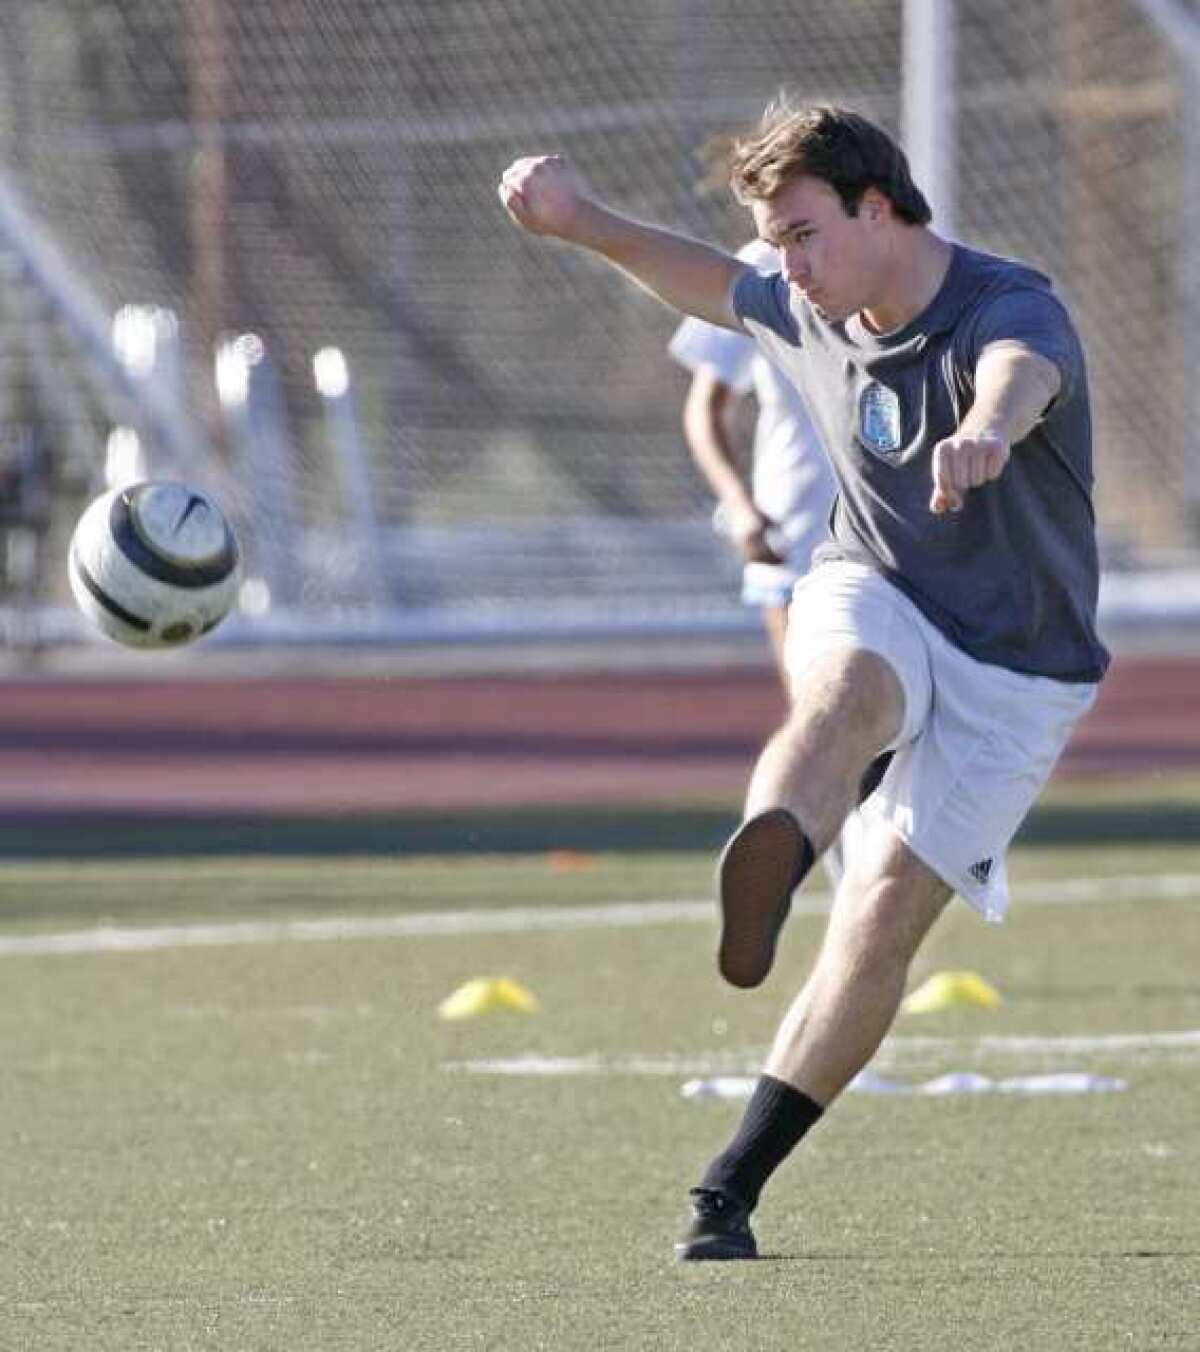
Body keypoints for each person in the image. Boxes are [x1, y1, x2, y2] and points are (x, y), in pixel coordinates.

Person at [499, 101, 1109, 1262]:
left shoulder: (1005, 302)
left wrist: (984, 429)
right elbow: (686, 272)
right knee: (843, 693)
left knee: (879, 920)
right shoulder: (805, 298)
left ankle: (729, 1185)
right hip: (876, 579)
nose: (788, 263)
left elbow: (1021, 373)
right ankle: (773, 849)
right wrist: (579, 221)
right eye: (774, 239)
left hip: (1022, 666)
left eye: (803, 232)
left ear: (879, 207)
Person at [669, 238, 836, 689]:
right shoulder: (758, 269)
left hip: (895, 537)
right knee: (819, 715)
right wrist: (739, 505)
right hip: (797, 530)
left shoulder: (902, 255)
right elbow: (705, 407)